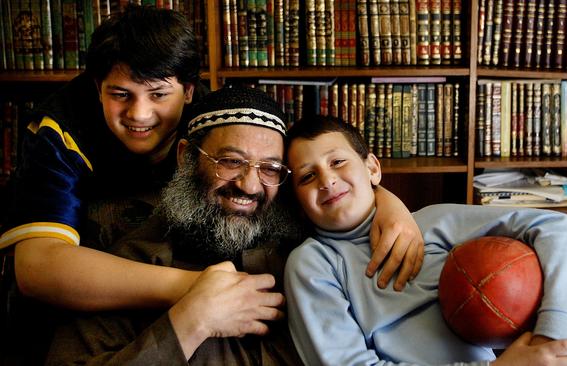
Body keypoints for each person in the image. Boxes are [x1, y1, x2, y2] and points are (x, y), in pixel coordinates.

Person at [0, 5, 421, 316]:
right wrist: (202, 289)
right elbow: (38, 268)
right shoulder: (58, 130)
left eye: (159, 95)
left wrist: (385, 200)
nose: (140, 115)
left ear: (188, 90)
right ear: (97, 86)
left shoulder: (220, 114)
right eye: (120, 94)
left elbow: (307, 165)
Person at [44, 86, 423, 365]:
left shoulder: (312, 246)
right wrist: (190, 321)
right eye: (230, 161)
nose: (249, 185)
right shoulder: (131, 262)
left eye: (270, 169)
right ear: (187, 157)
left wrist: (388, 203)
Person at [283, 115, 567, 366]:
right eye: (307, 177)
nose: (327, 180)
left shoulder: (433, 222)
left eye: (337, 162)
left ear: (372, 168)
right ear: (297, 199)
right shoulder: (313, 263)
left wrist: (553, 338)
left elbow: (562, 229)